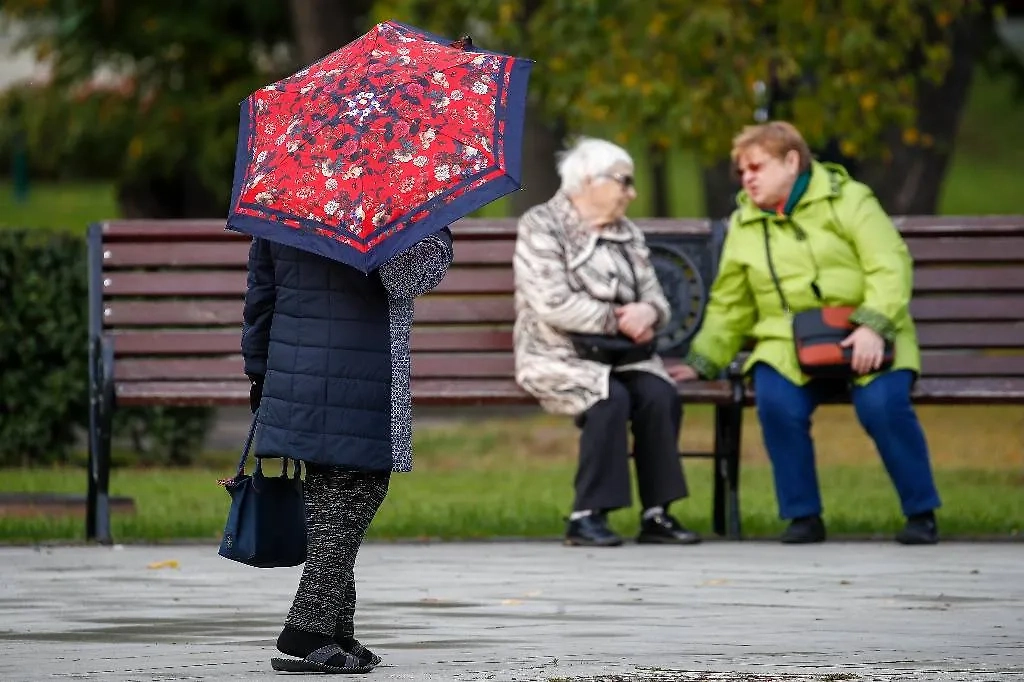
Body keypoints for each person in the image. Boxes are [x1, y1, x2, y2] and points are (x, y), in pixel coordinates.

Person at [672, 121, 941, 545]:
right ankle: (803, 516)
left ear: (792, 161)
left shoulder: (849, 200)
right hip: (788, 341)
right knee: (777, 402)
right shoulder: (745, 223)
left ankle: (921, 512)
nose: (748, 179)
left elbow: (889, 264)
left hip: (866, 330)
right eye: (742, 172)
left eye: (757, 167)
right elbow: (731, 304)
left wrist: (873, 324)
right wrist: (703, 360)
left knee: (882, 405)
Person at [242, 229, 453, 673]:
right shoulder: (388, 197)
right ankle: (308, 627)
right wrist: (419, 233)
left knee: (330, 492)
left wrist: (259, 369)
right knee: (359, 484)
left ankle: (337, 629)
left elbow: (261, 290)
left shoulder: (287, 193)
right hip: (360, 371)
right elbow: (411, 276)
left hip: (293, 370)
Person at [513, 136, 701, 548]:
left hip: (623, 354)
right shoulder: (542, 225)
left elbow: (655, 298)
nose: (632, 193)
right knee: (608, 398)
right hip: (557, 353)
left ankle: (657, 513)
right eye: (624, 182)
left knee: (657, 393)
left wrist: (649, 313)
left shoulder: (626, 233)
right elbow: (551, 302)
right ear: (588, 180)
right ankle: (586, 516)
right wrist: (619, 318)